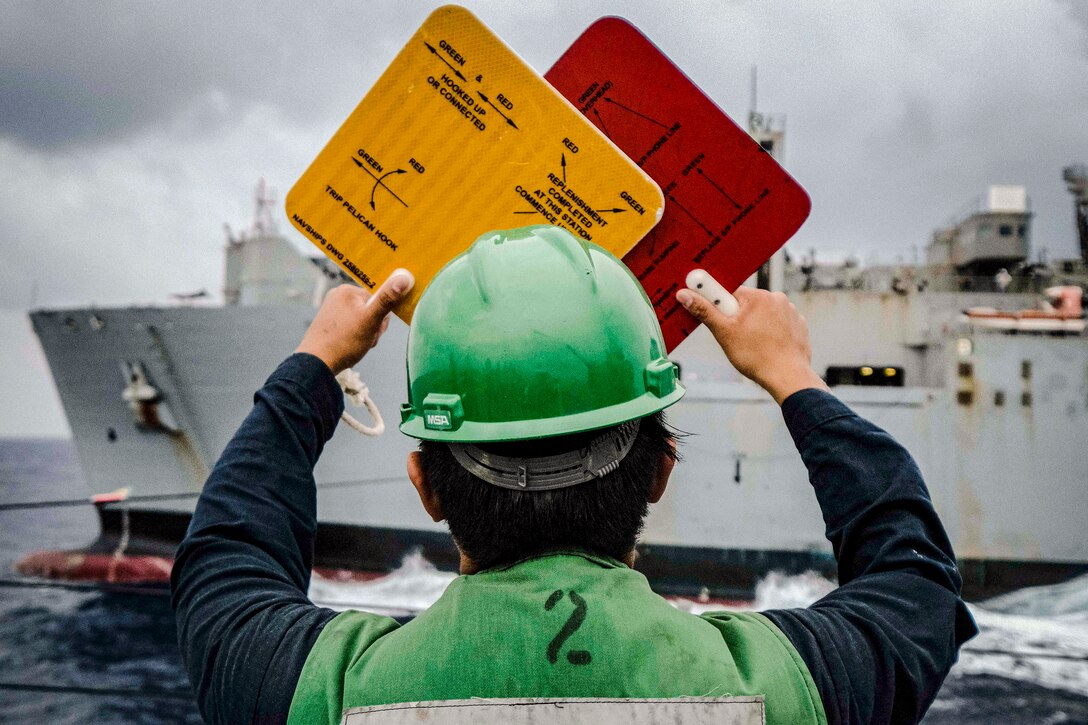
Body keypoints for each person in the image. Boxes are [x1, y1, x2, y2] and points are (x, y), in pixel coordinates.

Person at [172, 226, 976, 725]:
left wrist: (313, 369)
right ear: (661, 470)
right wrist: (794, 376)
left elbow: (224, 570)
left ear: (426, 485)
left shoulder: (329, 694)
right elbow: (915, 583)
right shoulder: (783, 689)